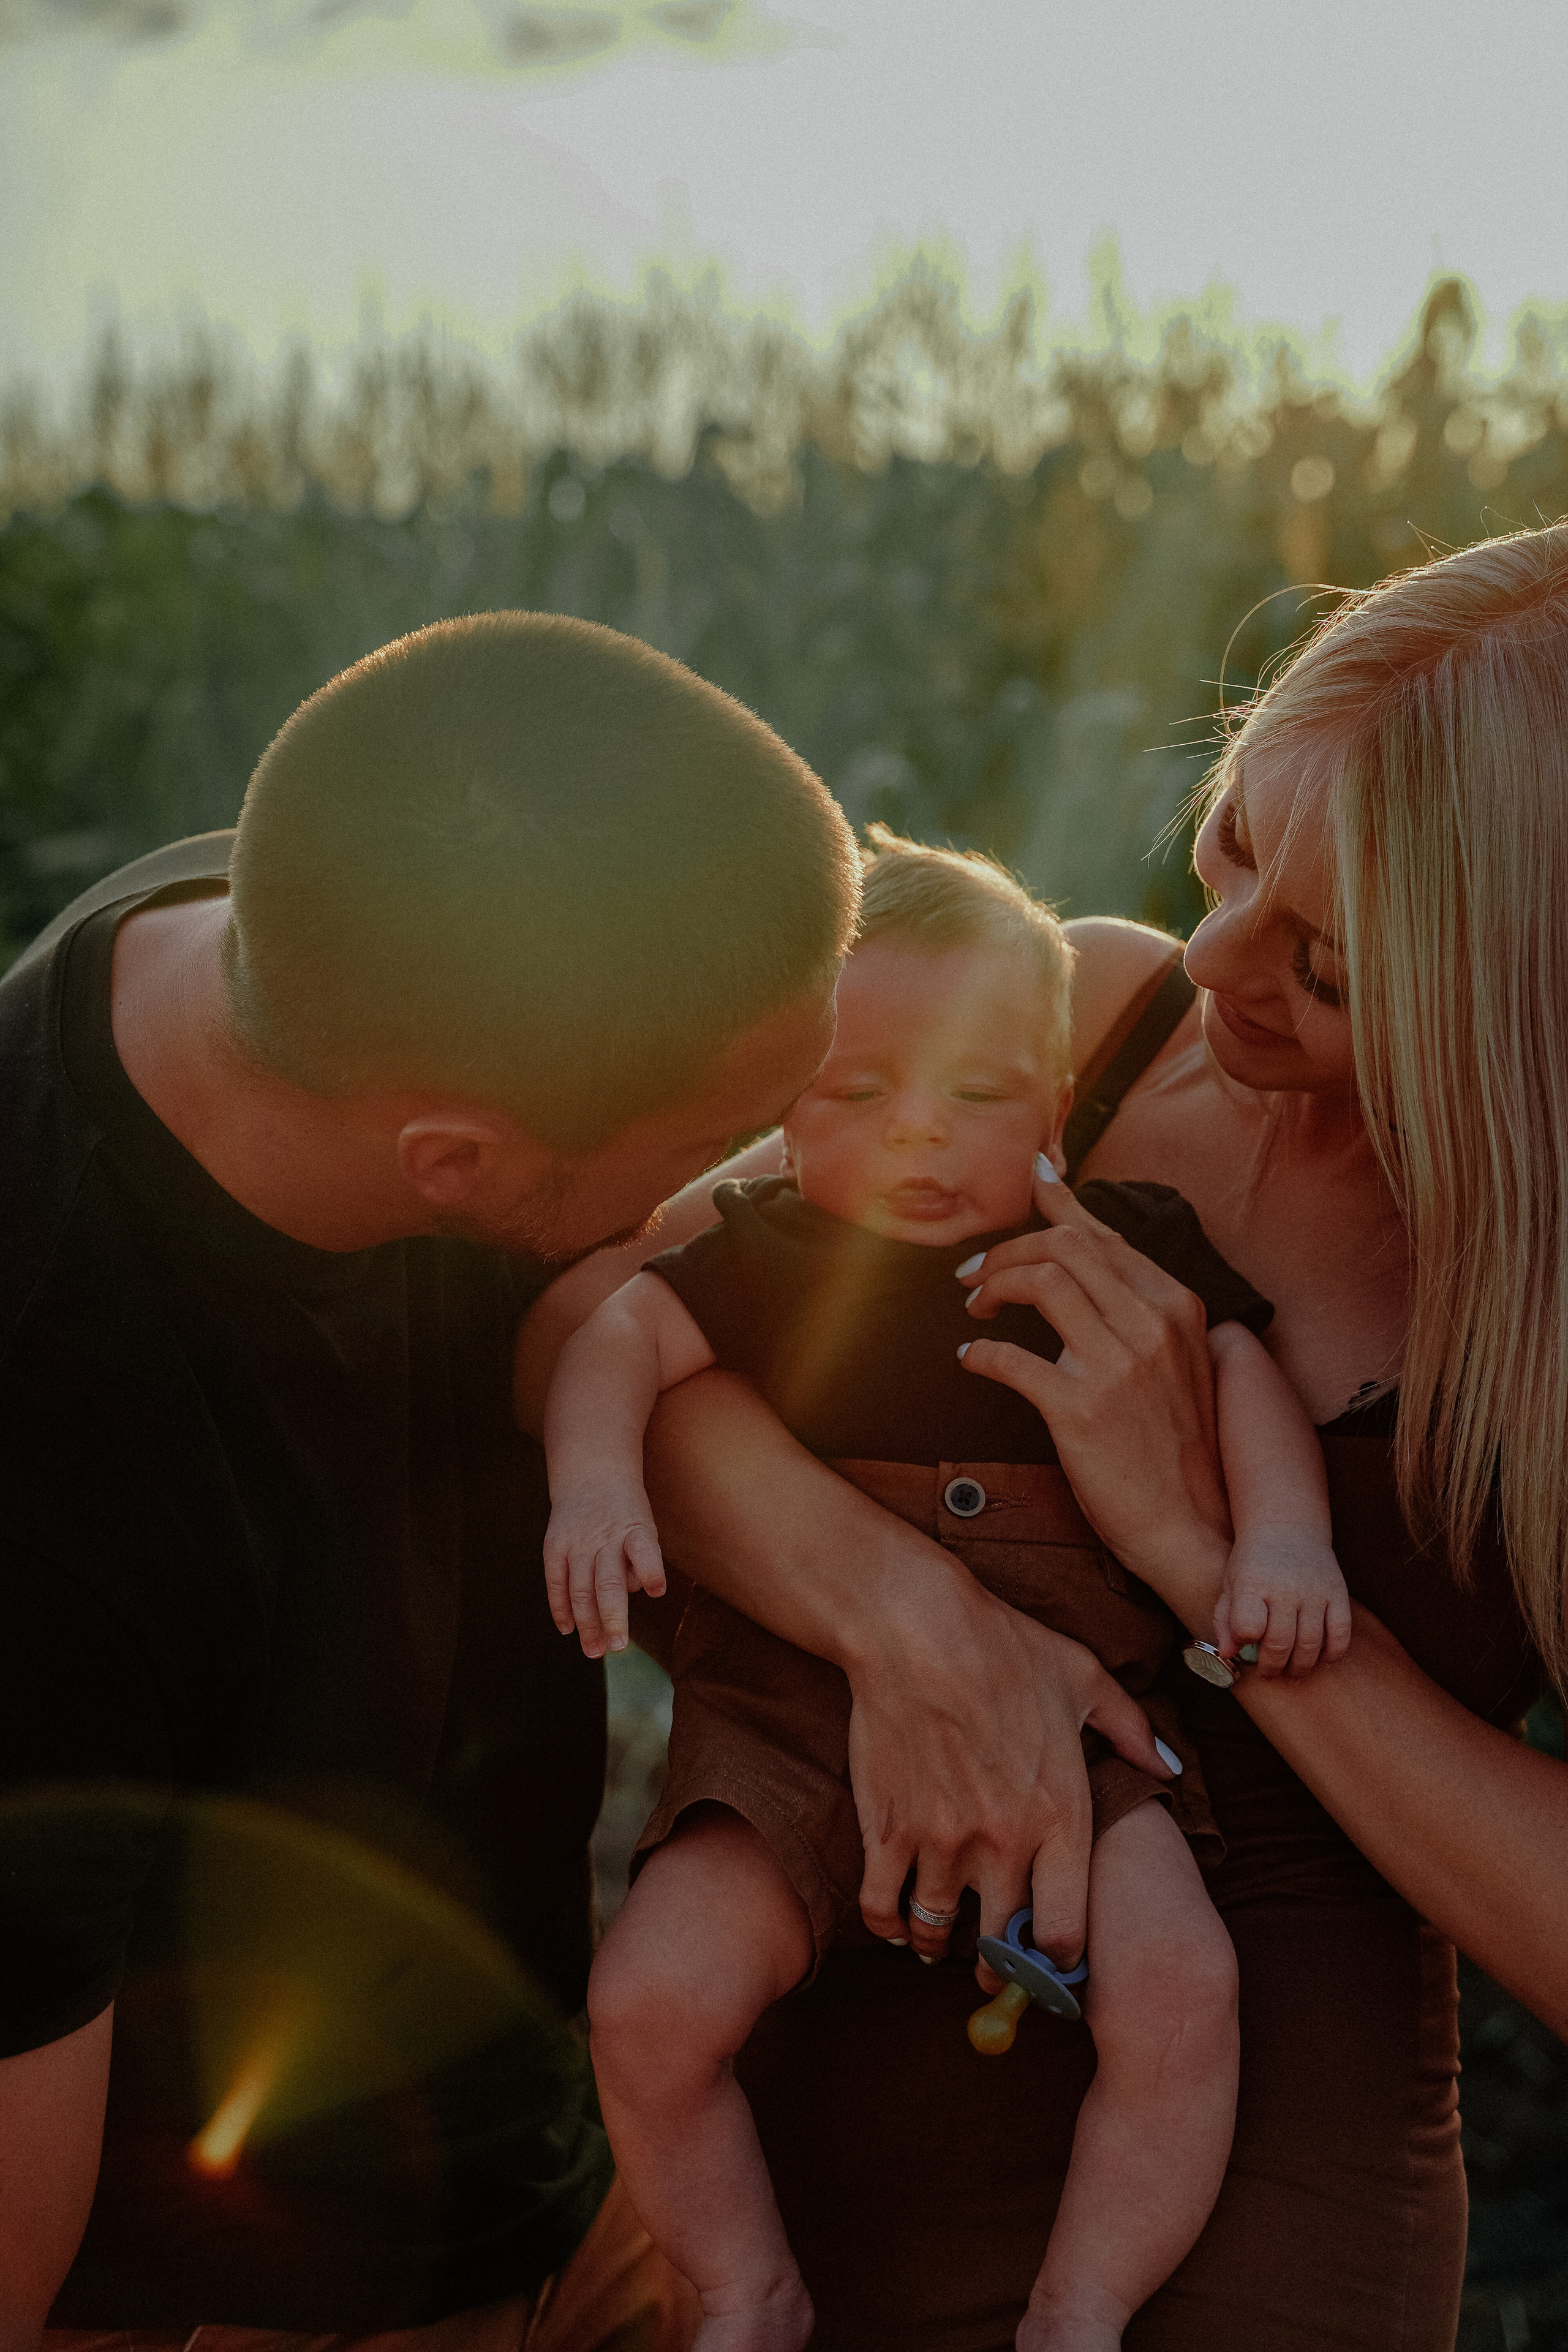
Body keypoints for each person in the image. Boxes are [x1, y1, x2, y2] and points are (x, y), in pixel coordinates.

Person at [514, 523, 1568, 2351]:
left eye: (1324, 966)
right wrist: (918, 1627)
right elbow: (591, 1330)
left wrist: (1198, 1558)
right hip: (822, 2015)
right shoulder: (1082, 1030)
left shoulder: (1537, 1306)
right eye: (1229, 843)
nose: (1215, 950)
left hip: (1244, 2175)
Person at [0, 611, 863, 2350]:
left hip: (558, 2170)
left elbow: (610, 1314)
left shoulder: (315, 930)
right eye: (711, 1151)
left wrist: (908, 1619)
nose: (768, 1182)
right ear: (452, 1162)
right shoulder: (51, 1471)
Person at [541, 835, 1351, 2352]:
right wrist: (595, 1489)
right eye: (856, 1094)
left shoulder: (1113, 1244)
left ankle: (1079, 2307)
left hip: (1085, 1731)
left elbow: (1236, 1368)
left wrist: (1285, 1545)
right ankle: (746, 2287)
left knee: (1183, 1994)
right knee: (647, 2006)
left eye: (976, 1094)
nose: (916, 1135)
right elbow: (611, 1340)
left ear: (1055, 1101)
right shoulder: (766, 1251)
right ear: (783, 1115)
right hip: (784, 1734)